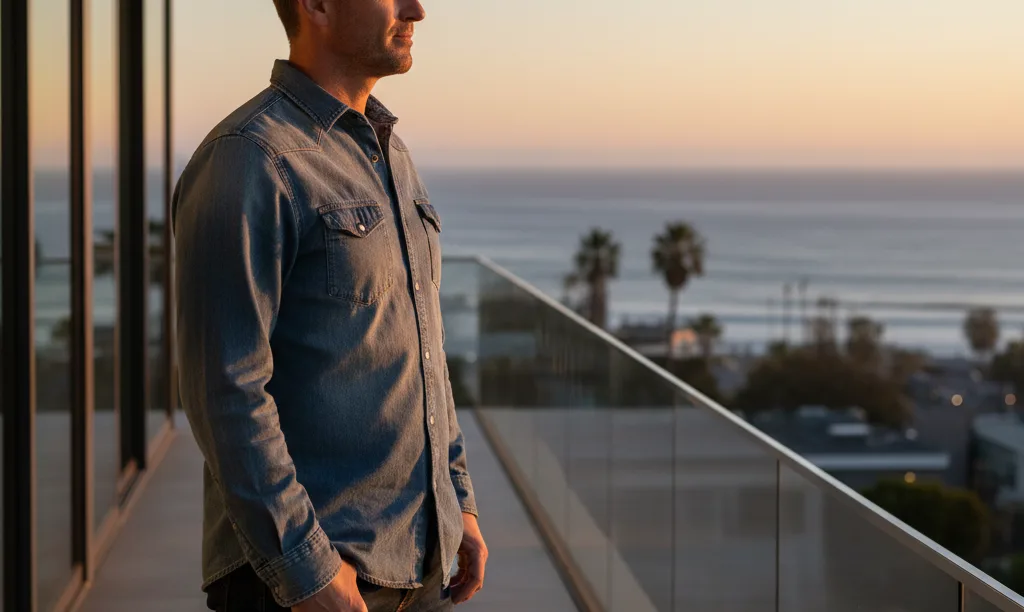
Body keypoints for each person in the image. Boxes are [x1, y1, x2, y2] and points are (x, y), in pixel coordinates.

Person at [172, 1, 487, 610]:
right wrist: (308, 568)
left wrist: (458, 501)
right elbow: (225, 390)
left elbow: (423, 346)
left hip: (418, 562)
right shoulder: (250, 158)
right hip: (312, 584)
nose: (416, 9)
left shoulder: (389, 153)